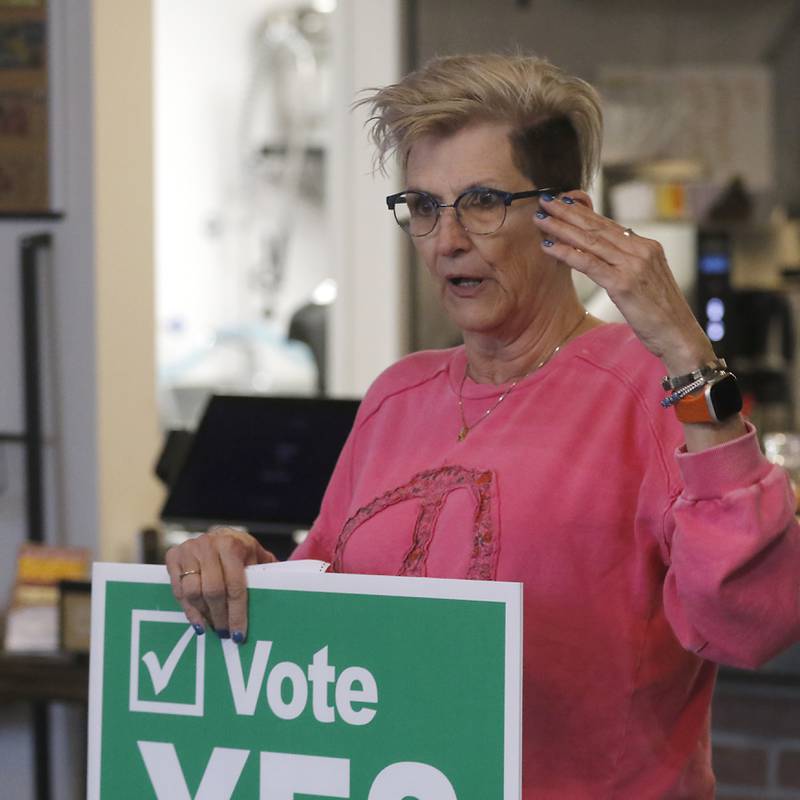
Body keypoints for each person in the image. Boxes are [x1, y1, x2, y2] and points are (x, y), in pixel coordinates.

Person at [166, 53, 800, 798]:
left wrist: (689, 354)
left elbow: (750, 625)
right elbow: (334, 631)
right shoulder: (397, 396)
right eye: (425, 207)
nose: (446, 240)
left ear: (568, 216)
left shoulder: (653, 386)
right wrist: (242, 572)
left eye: (482, 202)